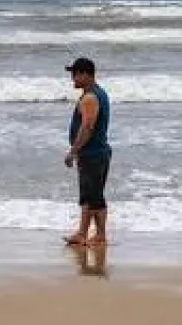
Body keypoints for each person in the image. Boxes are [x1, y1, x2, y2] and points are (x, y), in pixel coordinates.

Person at [63, 56, 112, 247]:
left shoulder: (90, 97)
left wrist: (73, 151)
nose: (73, 79)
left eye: (75, 75)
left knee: (91, 196)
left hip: (92, 153)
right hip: (97, 152)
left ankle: (89, 234)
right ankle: (92, 234)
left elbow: (87, 127)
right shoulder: (99, 93)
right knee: (93, 196)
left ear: (85, 74)